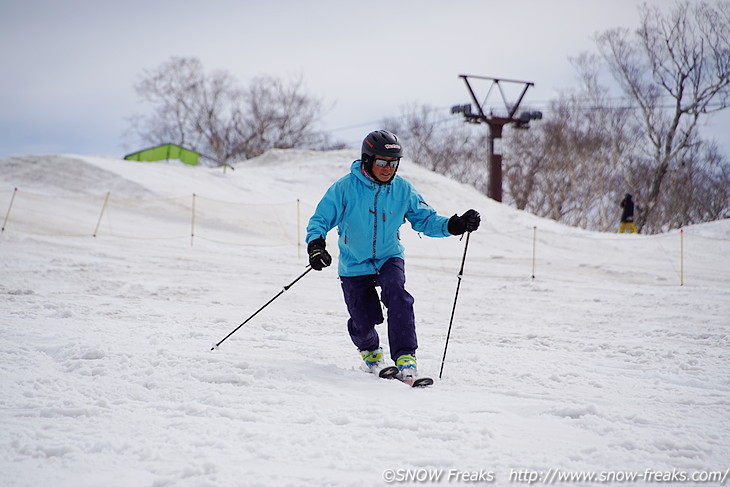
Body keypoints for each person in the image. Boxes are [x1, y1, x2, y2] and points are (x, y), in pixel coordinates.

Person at [305, 130, 481, 381]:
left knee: (397, 294)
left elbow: (426, 220)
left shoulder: (402, 190)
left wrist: (455, 225)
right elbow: (320, 219)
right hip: (354, 263)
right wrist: (316, 245)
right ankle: (370, 352)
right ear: (367, 161)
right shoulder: (345, 188)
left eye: (393, 163)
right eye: (381, 162)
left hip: (389, 256)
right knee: (363, 320)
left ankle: (406, 357)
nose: (388, 168)